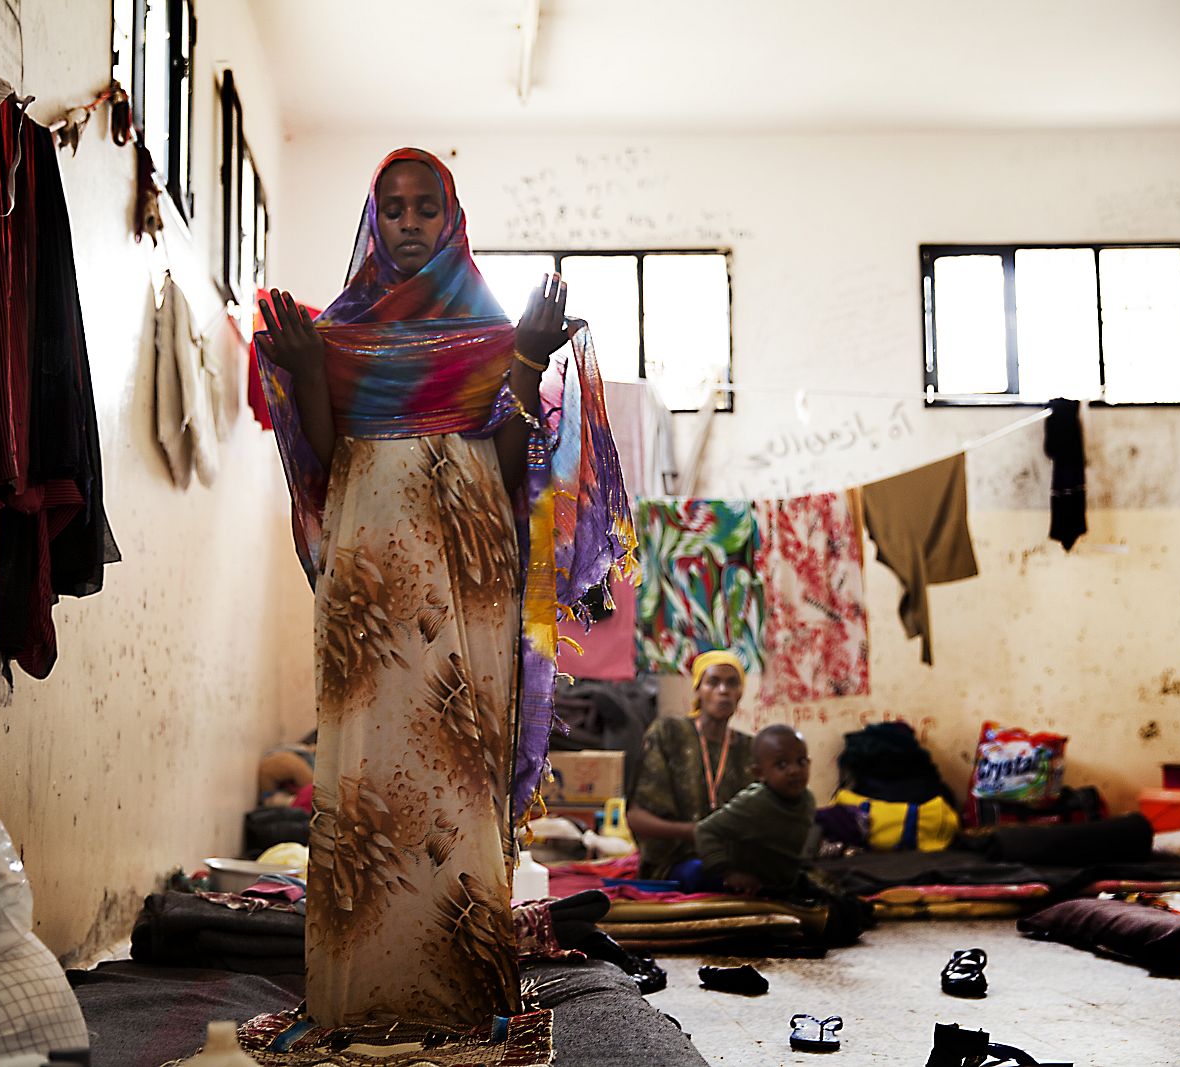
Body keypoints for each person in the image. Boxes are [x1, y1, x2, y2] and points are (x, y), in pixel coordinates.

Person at [255, 148, 633, 1030]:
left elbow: (511, 471)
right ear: (374, 220)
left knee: (458, 771)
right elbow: (326, 454)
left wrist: (529, 361)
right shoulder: (341, 332)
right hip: (369, 582)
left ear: (453, 218)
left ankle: (458, 996)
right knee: (362, 782)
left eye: (428, 207)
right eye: (395, 208)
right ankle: (360, 997)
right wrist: (310, 368)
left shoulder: (492, 336)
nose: (411, 222)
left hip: (466, 573)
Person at [625, 650, 760, 881]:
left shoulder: (751, 748)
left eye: (732, 683)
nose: (723, 690)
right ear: (698, 689)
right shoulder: (669, 733)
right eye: (713, 682)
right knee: (705, 873)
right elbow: (637, 818)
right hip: (677, 859)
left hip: (734, 858)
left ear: (740, 692)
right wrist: (695, 833)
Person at [694, 723, 817, 895]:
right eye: (782, 765)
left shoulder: (807, 800)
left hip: (783, 884)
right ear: (759, 773)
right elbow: (704, 830)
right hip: (747, 888)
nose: (794, 770)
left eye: (801, 762)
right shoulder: (754, 803)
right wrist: (728, 872)